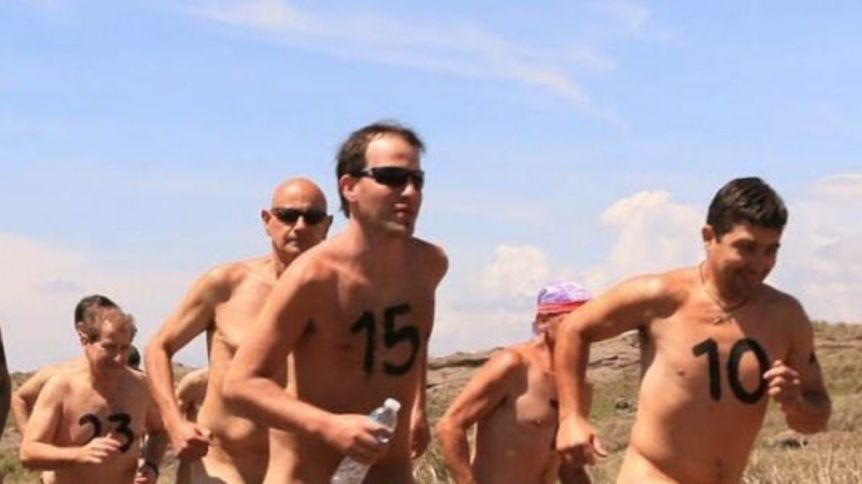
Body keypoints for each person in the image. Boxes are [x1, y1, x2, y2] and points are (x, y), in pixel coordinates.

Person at [554, 177, 831, 483]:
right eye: (746, 248)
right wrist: (571, 417)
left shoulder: (786, 317)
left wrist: (795, 403)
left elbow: (815, 419)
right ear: (709, 237)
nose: (759, 264)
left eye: (770, 251)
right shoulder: (660, 297)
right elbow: (573, 329)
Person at [223, 121, 448, 483]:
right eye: (391, 178)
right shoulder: (314, 277)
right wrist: (329, 426)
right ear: (350, 187)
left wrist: (418, 405)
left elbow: (414, 339)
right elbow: (240, 385)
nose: (408, 192)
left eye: (416, 180)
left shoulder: (430, 265)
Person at [145, 177, 333, 483]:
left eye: (312, 217)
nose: (300, 226)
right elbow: (159, 347)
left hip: (299, 472)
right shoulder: (227, 284)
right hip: (223, 469)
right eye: (288, 215)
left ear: (327, 226)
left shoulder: (342, 298)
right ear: (267, 221)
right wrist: (174, 423)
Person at [437, 282, 593, 484]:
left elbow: (566, 465)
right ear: (543, 321)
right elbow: (449, 426)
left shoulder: (580, 386)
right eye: (572, 320)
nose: (581, 329)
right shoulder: (514, 365)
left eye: (590, 322)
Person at [19, 306, 167, 483]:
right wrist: (78, 455)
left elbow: (159, 431)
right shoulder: (62, 388)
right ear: (86, 342)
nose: (119, 358)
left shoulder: (139, 387)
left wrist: (151, 466)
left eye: (125, 348)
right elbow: (28, 453)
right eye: (109, 347)